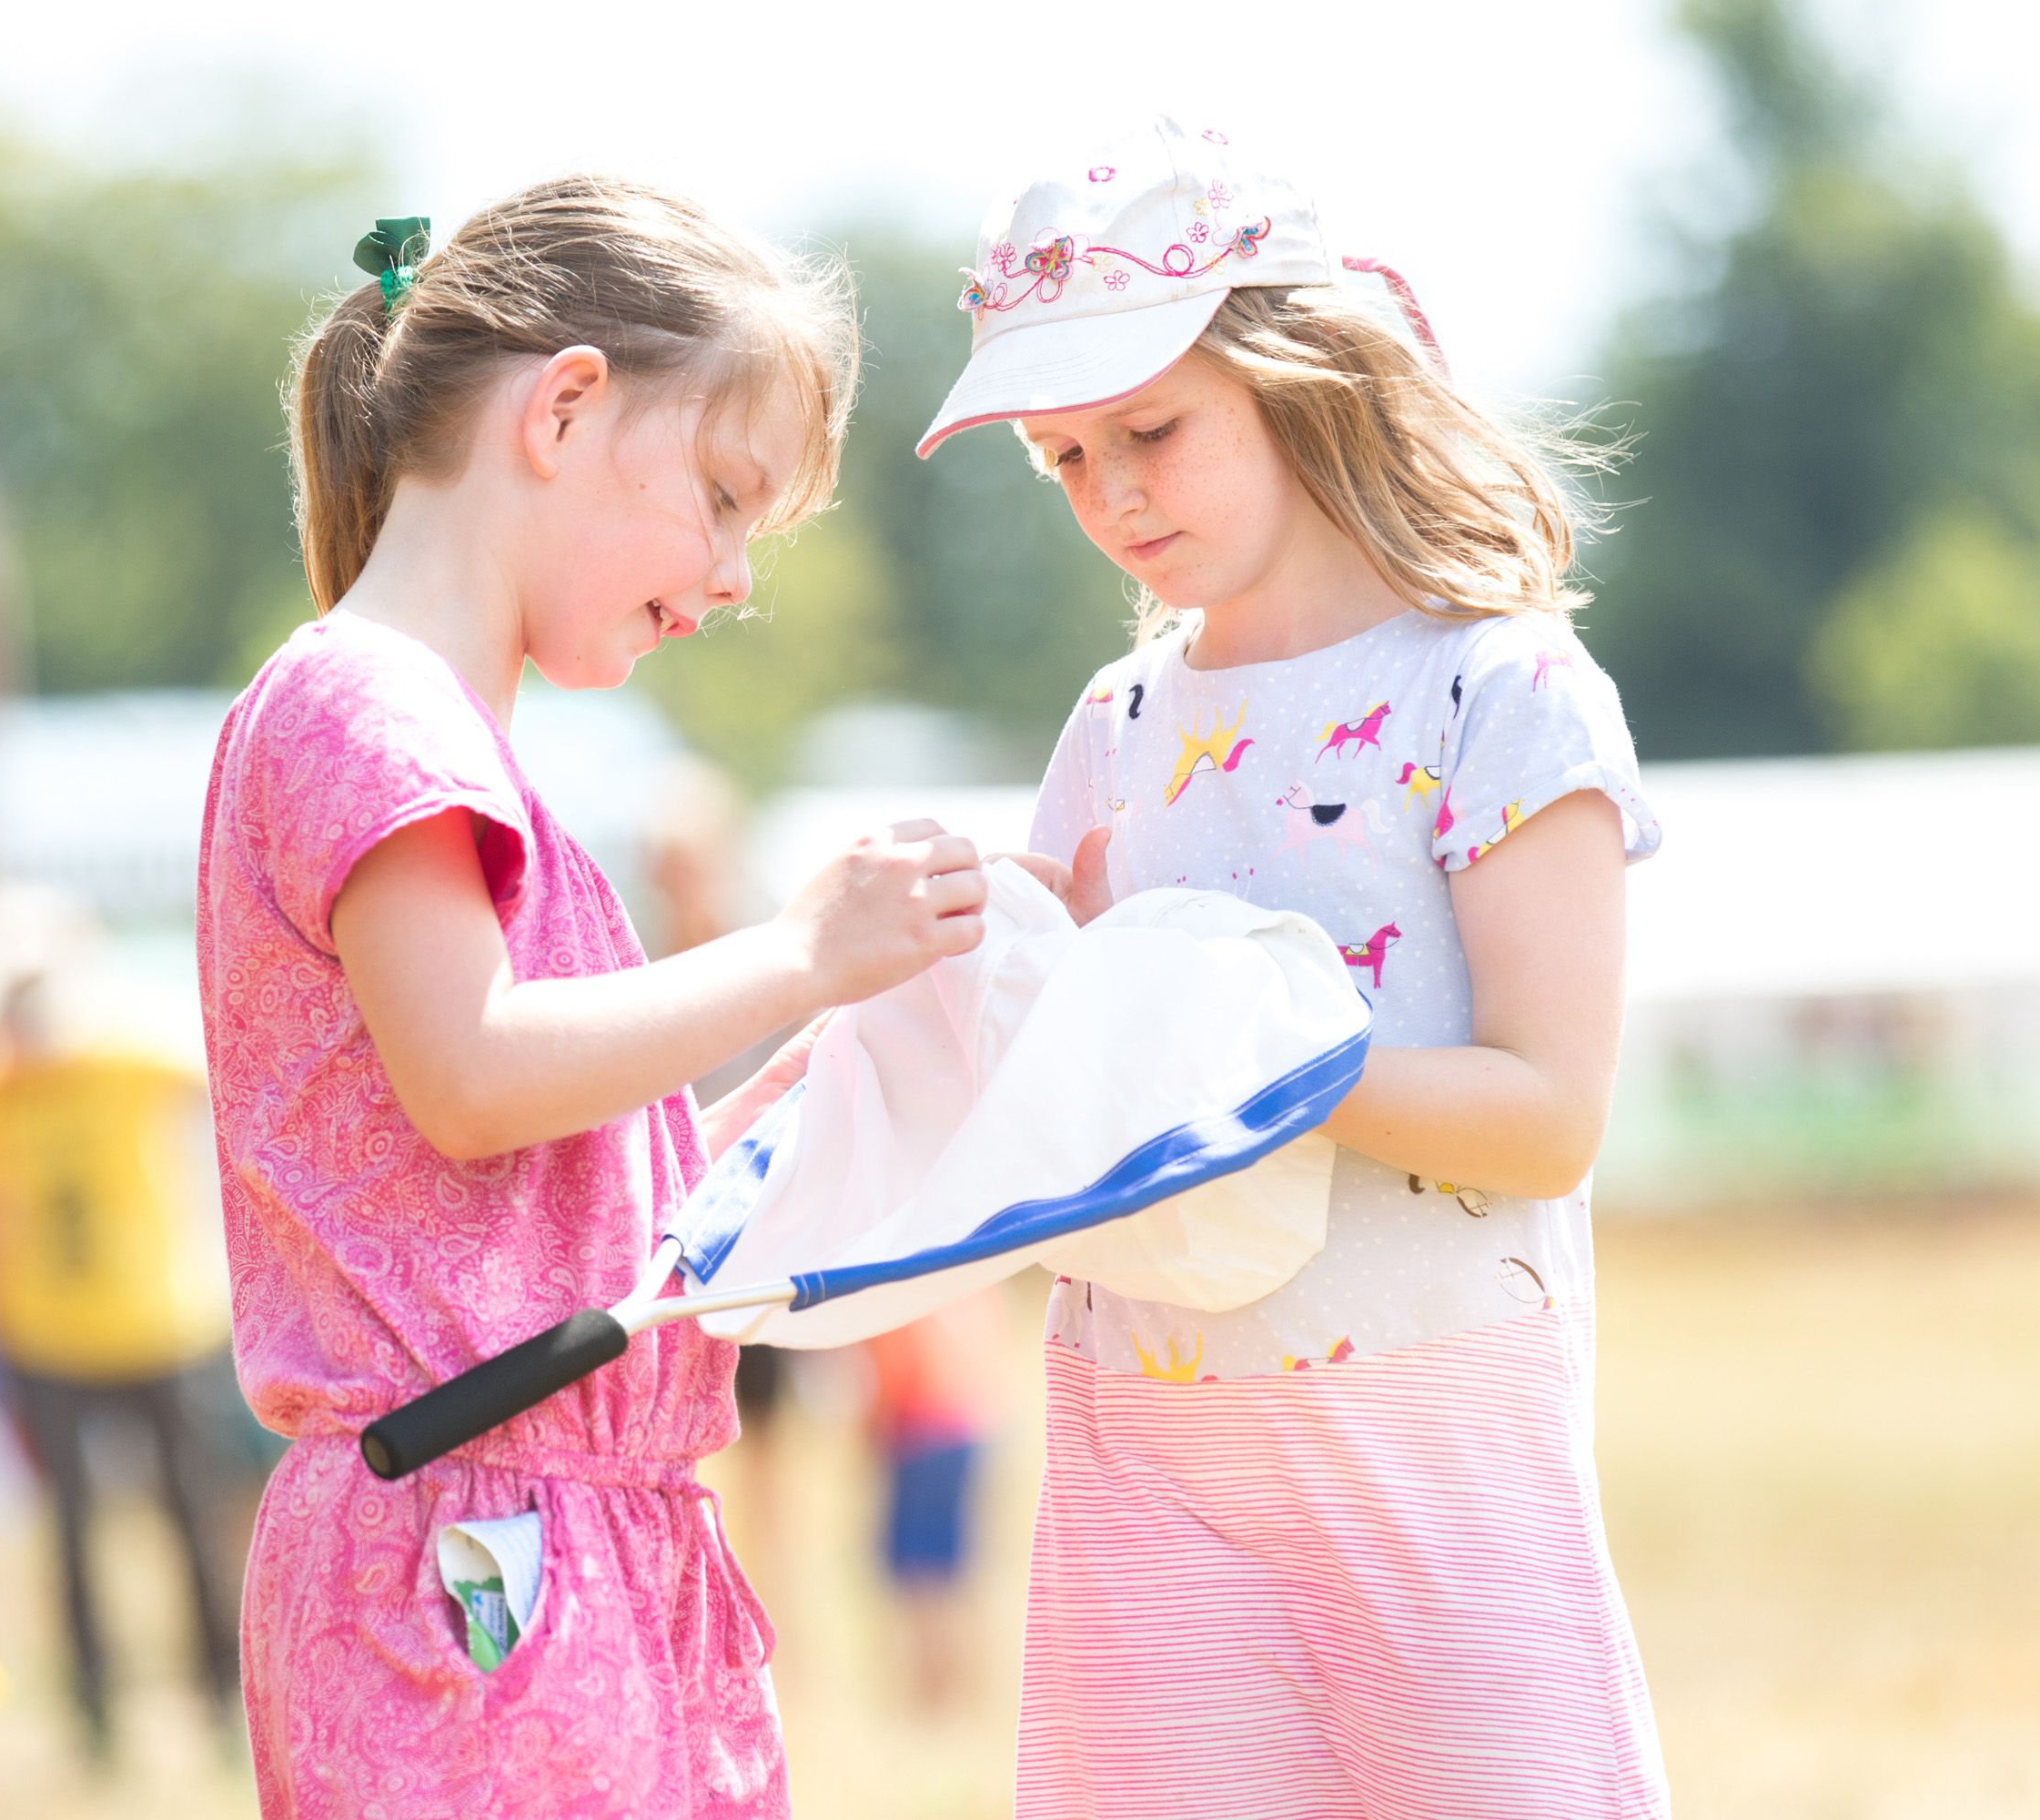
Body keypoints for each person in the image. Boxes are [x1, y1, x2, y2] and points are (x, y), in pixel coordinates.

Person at [201, 183, 988, 1817]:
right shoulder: (370, 708)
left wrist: (760, 1125)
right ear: (563, 407)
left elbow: (496, 1170)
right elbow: (475, 1076)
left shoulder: (441, 735)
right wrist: (798, 953)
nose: (730, 576)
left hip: (547, 1523)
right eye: (721, 496)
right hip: (477, 1544)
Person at [920, 122, 1671, 1816]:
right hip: (1147, 1439)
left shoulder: (1497, 690)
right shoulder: (1115, 730)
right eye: (1062, 457)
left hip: (1434, 1443)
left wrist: (1244, 1072)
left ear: (1300, 376)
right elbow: (1042, 1082)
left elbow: (1550, 1116)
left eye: (1152, 431)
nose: (1109, 494)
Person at [0, 962, 250, 1764]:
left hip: (164, 1326)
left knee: (193, 1518)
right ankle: (94, 1713)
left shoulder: (128, 1065)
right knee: (70, 1532)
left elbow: (221, 1069)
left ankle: (221, 1696)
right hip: (46, 1336)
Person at [858, 1296, 1001, 1715]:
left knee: (916, 1572)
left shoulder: (901, 1293)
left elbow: (895, 1372)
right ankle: (966, 1684)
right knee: (954, 1567)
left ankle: (930, 1689)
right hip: (968, 1428)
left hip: (918, 1433)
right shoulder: (967, 1284)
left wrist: (872, 1429)